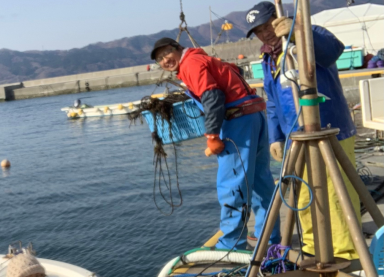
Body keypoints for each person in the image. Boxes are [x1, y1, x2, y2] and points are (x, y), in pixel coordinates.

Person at [246, 2, 361, 260]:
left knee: (336, 193)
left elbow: (333, 50)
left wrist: (299, 29)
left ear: (279, 19)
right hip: (295, 137)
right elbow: (273, 101)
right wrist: (276, 137)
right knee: (304, 194)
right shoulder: (269, 58)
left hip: (330, 129)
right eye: (258, 31)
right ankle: (312, 247)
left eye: (267, 26)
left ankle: (344, 252)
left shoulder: (307, 36)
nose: (265, 33)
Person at [150, 38, 281, 250]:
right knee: (260, 181)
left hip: (238, 121)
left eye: (166, 53)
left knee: (233, 184)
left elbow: (212, 96)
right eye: (159, 59)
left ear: (178, 49)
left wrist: (212, 135)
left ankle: (231, 244)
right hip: (254, 116)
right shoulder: (202, 58)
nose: (165, 60)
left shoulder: (191, 64)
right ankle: (269, 237)